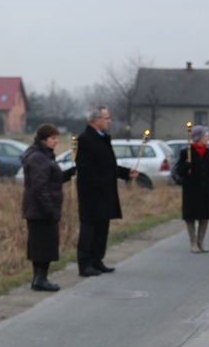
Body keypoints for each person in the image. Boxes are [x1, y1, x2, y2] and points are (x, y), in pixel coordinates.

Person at [75, 107, 138, 277]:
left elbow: (108, 166)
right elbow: (86, 169)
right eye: (107, 118)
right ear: (96, 120)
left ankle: (97, 261)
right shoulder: (85, 139)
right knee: (89, 229)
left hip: (104, 193)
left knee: (102, 229)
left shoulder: (102, 139)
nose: (109, 121)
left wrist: (125, 173)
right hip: (92, 194)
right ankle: (85, 263)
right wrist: (101, 183)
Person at [21, 123, 76, 291]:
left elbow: (52, 179)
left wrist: (69, 173)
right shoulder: (38, 157)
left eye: (57, 138)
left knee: (43, 245)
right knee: (43, 246)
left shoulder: (45, 155)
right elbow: (40, 186)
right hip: (40, 211)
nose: (57, 141)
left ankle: (40, 278)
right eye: (53, 138)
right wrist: (49, 209)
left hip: (40, 210)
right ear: (43, 139)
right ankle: (40, 279)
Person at [176, 125, 209, 253]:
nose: (208, 138)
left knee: (204, 217)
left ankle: (201, 242)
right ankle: (193, 242)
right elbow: (180, 171)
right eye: (205, 136)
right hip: (191, 190)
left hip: (204, 189)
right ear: (198, 138)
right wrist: (186, 165)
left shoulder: (208, 152)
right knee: (191, 216)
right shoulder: (186, 152)